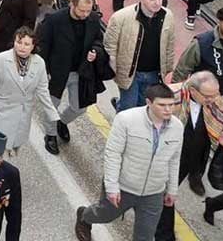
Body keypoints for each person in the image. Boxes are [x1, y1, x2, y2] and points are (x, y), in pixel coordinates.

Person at [74, 83, 183, 241]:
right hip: (124, 186)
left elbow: (174, 159)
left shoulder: (177, 127)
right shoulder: (126, 119)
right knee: (104, 215)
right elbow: (113, 153)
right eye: (162, 105)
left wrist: (172, 189)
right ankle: (84, 216)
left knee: (145, 236)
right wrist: (112, 187)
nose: (168, 110)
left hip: (154, 192)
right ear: (149, 102)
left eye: (171, 105)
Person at [155, 71, 223, 239]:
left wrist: (220, 135)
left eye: (214, 95)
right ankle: (164, 235)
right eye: (207, 96)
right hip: (167, 157)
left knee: (165, 193)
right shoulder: (170, 96)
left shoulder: (214, 100)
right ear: (193, 90)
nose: (212, 99)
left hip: (190, 160)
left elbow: (214, 125)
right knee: (166, 194)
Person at [0, 26, 58, 155]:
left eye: (26, 44)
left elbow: (43, 90)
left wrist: (52, 113)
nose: (22, 47)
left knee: (11, 147)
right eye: (19, 42)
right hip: (0, 113)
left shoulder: (39, 63)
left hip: (22, 115)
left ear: (33, 46)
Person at [105, 0, 176, 112]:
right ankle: (122, 126)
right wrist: (113, 67)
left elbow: (170, 43)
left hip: (154, 73)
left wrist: (168, 67)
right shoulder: (121, 17)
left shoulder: (168, 16)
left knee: (143, 107)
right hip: (130, 73)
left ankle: (120, 106)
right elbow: (110, 45)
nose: (157, 3)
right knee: (129, 107)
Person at [173, 6, 223, 98]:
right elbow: (182, 70)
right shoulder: (201, 43)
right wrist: (176, 95)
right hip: (199, 96)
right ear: (219, 22)